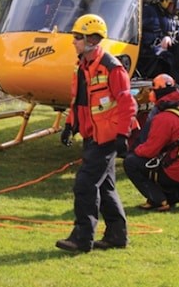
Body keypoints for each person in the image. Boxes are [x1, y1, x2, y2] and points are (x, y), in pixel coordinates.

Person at [56, 14, 137, 253]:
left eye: (77, 38)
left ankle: (82, 238)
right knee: (105, 187)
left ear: (92, 39)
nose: (73, 42)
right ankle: (116, 235)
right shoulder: (82, 67)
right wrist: (70, 126)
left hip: (108, 138)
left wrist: (123, 135)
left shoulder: (112, 68)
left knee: (84, 185)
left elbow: (127, 104)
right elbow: (78, 102)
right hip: (93, 136)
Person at [124, 74, 179, 212]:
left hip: (173, 171)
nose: (150, 93)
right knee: (172, 190)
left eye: (152, 90)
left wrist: (134, 150)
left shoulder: (164, 118)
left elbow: (149, 150)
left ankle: (158, 200)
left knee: (131, 162)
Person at [137, 0, 179, 79]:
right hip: (150, 55)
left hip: (166, 51)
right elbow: (147, 37)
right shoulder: (151, 12)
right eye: (173, 5)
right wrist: (163, 40)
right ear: (167, 2)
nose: (176, 9)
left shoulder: (175, 18)